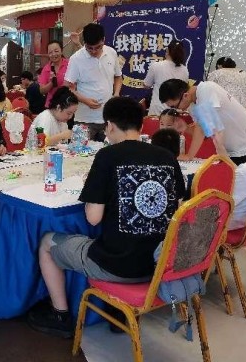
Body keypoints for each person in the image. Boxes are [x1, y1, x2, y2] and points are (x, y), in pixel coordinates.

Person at [27, 97, 185, 338]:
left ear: (109, 126)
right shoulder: (166, 157)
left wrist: (96, 188)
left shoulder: (108, 156)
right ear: (141, 124)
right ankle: (117, 311)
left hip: (118, 265)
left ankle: (60, 314)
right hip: (161, 264)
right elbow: (178, 209)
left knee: (47, 243)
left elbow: (93, 218)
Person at [160, 79, 246, 165]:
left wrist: (189, 156)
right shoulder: (193, 105)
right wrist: (186, 128)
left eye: (175, 106)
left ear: (185, 96)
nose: (178, 110)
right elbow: (206, 134)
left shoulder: (207, 89)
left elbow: (201, 129)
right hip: (231, 152)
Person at [64, 23, 122, 141]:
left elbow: (118, 76)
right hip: (84, 119)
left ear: (103, 40)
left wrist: (116, 94)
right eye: (89, 48)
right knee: (80, 152)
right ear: (84, 43)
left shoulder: (111, 53)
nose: (94, 51)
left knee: (107, 151)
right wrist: (85, 100)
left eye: (98, 47)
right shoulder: (76, 59)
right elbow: (67, 87)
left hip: (108, 119)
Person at [143, 41, 189, 115]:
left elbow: (146, 85)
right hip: (175, 113)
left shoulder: (156, 66)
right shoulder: (184, 70)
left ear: (167, 51)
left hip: (157, 113)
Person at [38, 40, 69, 108]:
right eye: (50, 52)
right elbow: (42, 91)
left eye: (56, 51)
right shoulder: (46, 68)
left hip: (68, 104)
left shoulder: (70, 64)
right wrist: (51, 82)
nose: (54, 54)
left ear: (61, 51)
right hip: (52, 105)